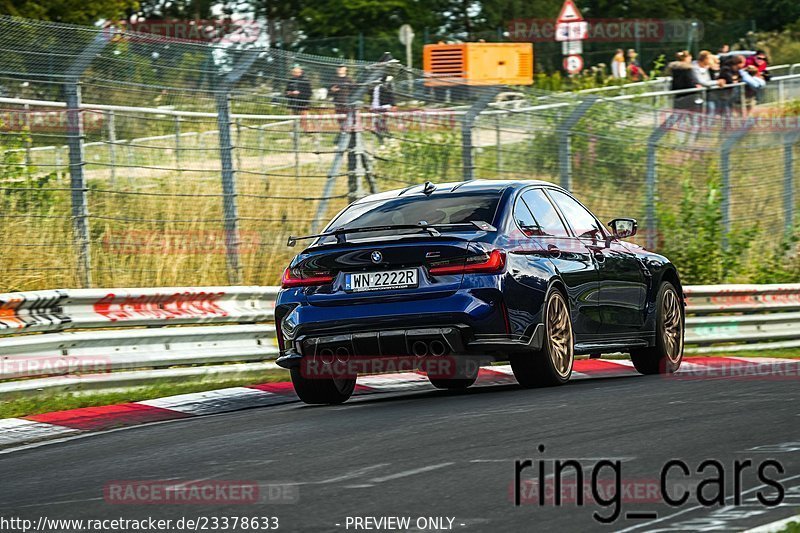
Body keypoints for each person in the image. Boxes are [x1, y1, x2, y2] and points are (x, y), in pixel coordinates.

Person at [371, 74, 396, 143]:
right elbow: (372, 95)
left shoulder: (386, 84)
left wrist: (393, 104)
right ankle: (383, 136)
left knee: (382, 121)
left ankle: (386, 135)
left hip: (384, 105)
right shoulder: (374, 84)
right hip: (375, 106)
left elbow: (391, 94)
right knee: (377, 121)